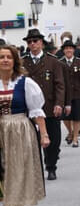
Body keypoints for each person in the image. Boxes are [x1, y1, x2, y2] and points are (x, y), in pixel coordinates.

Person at [0, 45, 49, 206]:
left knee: (20, 172)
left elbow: (36, 110)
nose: (6, 60)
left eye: (9, 57)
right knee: (4, 170)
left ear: (15, 61)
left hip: (21, 130)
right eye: (2, 57)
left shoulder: (26, 83)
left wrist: (44, 135)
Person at [22, 29, 65, 181]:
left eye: (35, 41)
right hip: (29, 109)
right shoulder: (22, 62)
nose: (32, 44)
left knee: (53, 140)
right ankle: (35, 168)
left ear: (42, 43)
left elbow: (60, 85)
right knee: (31, 140)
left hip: (49, 107)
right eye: (29, 42)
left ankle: (51, 166)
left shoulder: (53, 62)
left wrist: (59, 103)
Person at [59, 40, 80, 147]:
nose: (68, 50)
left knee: (77, 117)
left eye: (70, 48)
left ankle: (75, 138)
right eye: (66, 48)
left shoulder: (78, 61)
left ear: (73, 50)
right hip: (64, 94)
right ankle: (70, 132)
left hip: (77, 94)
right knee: (65, 117)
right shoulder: (59, 62)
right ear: (63, 50)